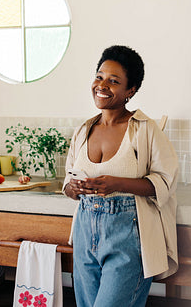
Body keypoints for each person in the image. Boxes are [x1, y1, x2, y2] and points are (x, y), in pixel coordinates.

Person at [63, 45, 178, 307]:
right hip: (84, 230)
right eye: (100, 76)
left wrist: (116, 184)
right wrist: (75, 188)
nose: (102, 85)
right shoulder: (83, 130)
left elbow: (165, 182)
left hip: (128, 234)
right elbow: (68, 187)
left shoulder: (145, 130)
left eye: (114, 81)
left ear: (130, 91)